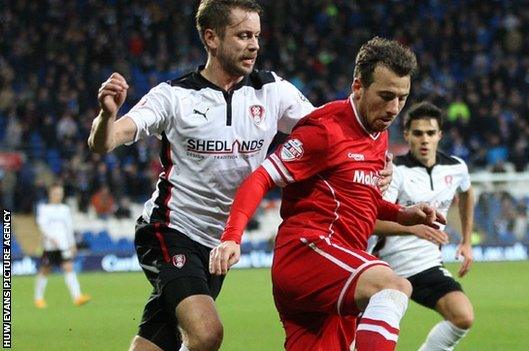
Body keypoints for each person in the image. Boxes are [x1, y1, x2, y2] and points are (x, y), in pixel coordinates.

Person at [88, 1, 390, 350]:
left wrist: (374, 160)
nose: (254, 45)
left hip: (218, 244)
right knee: (206, 333)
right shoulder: (174, 97)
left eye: (257, 36)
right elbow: (106, 141)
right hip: (170, 230)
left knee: (159, 338)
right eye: (243, 35)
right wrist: (107, 116)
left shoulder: (273, 91)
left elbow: (332, 133)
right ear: (211, 37)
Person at [210, 37, 444, 351]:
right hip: (309, 251)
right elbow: (261, 177)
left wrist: (402, 213)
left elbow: (359, 198)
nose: (394, 109)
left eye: (402, 98)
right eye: (386, 96)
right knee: (393, 286)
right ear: (358, 86)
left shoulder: (377, 132)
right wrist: (232, 235)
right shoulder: (325, 130)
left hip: (340, 266)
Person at [369, 102, 475, 351]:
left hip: (425, 265)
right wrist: (412, 228)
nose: (424, 139)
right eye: (417, 133)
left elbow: (468, 194)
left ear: (440, 135)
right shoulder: (395, 172)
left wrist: (467, 241)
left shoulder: (456, 168)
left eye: (430, 133)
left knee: (463, 317)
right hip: (384, 267)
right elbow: (372, 221)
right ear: (406, 135)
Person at [34, 183, 91, 308]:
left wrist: (72, 243)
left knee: (69, 267)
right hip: (50, 246)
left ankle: (77, 297)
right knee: (45, 270)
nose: (58, 196)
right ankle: (38, 298)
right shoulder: (44, 209)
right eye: (56, 194)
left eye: (60, 194)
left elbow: (69, 228)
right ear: (50, 194)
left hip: (64, 245)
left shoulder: (65, 209)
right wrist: (50, 238)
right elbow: (42, 226)